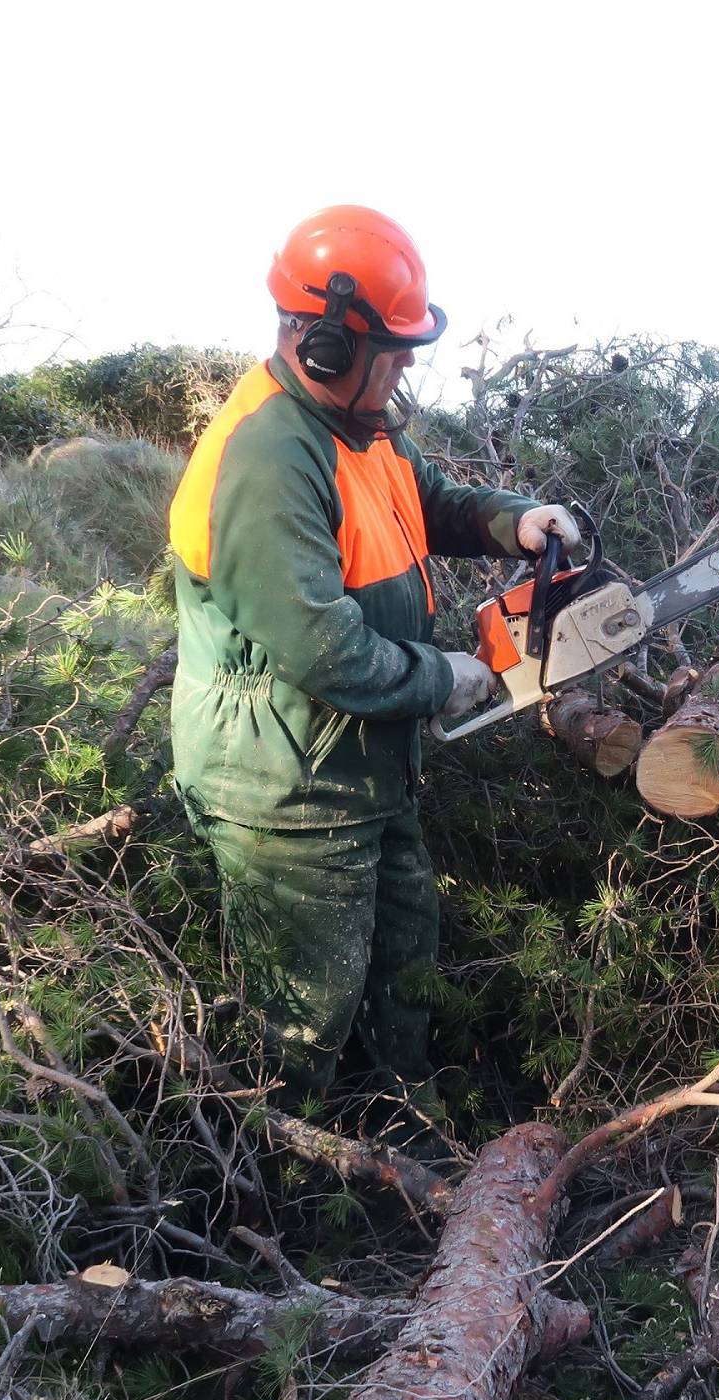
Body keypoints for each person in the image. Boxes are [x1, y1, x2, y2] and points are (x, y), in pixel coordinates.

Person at [167, 204, 577, 1124]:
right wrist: (448, 677)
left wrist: (513, 520)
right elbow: (325, 648)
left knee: (404, 957)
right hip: (284, 785)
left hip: (361, 764)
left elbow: (426, 496)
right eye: (391, 350)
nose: (402, 369)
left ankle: (407, 1129)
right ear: (324, 346)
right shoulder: (272, 454)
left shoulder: (361, 423)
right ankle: (285, 1187)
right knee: (303, 1014)